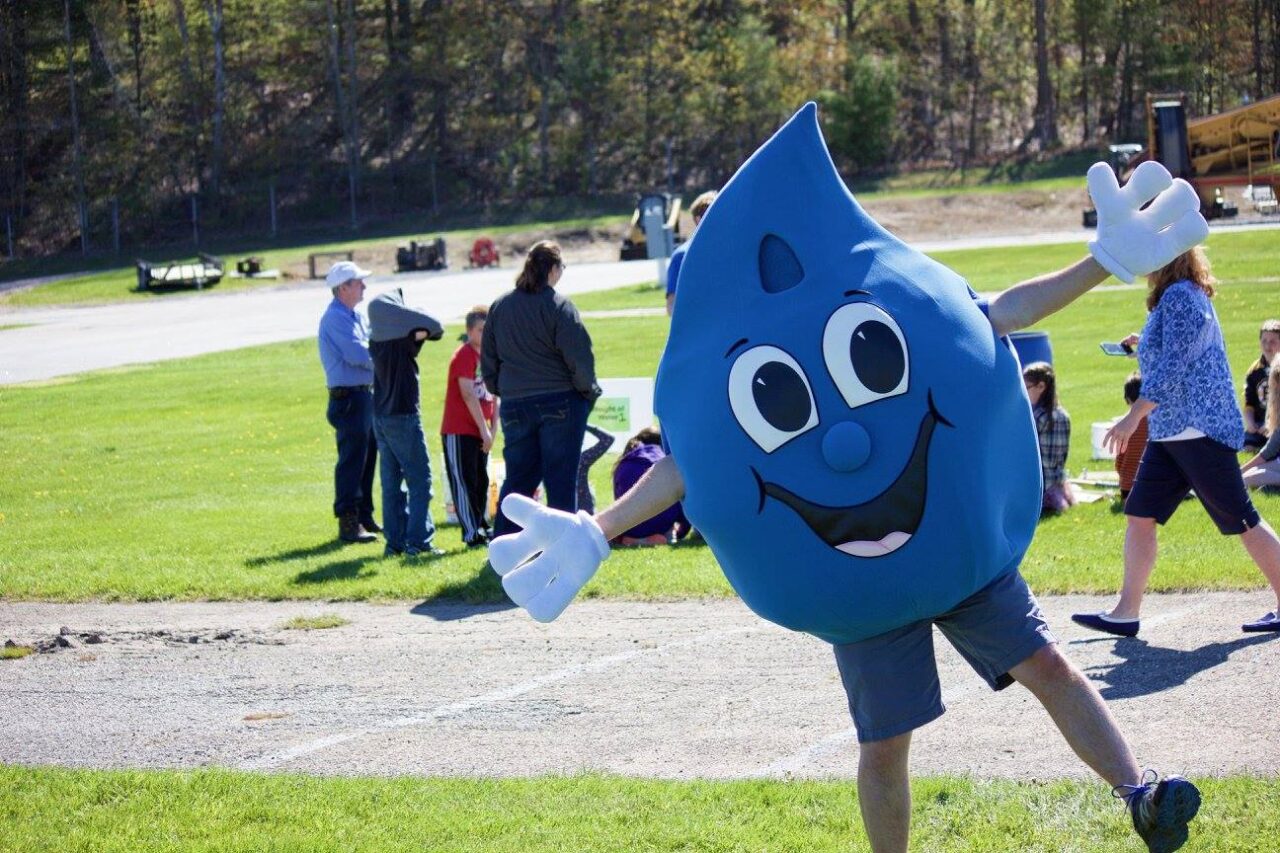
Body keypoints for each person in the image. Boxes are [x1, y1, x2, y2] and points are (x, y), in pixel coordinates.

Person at [489, 105, 1209, 853]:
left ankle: (1142, 795)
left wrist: (1102, 261)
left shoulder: (879, 287)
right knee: (886, 743)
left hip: (951, 545)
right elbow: (694, 465)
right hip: (862, 584)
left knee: (1049, 664)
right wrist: (600, 529)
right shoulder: (730, 348)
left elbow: (994, 315)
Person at [1072, 247, 1280, 639]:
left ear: (1165, 259)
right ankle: (1125, 612)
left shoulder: (1181, 295)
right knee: (1140, 513)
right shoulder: (1179, 295)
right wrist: (1144, 343)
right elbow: (1177, 352)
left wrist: (1133, 416)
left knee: (1242, 518)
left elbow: (1174, 367)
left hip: (1198, 429)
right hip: (1172, 430)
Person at [482, 240, 601, 537]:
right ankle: (562, 546)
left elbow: (489, 359)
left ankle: (504, 544)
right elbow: (579, 357)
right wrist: (588, 392)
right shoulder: (558, 306)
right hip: (560, 400)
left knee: (518, 481)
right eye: (562, 267)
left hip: (515, 402)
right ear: (552, 270)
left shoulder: (501, 306)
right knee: (560, 481)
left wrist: (502, 390)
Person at [368, 289, 445, 558]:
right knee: (420, 480)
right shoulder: (403, 340)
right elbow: (435, 326)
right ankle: (419, 541)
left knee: (391, 484)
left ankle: (395, 543)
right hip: (403, 416)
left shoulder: (375, 340)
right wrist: (414, 327)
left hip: (380, 416)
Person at [317, 261, 379, 544]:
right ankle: (349, 522)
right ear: (343, 288)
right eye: (357, 282)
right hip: (349, 398)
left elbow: (368, 349)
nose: (363, 286)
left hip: (362, 395)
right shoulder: (336, 318)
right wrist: (385, 361)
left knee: (367, 458)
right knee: (353, 461)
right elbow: (359, 354)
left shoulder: (355, 316)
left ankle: (364, 515)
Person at [441, 305, 498, 548]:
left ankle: (481, 523)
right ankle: (471, 532)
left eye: (489, 329)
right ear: (470, 331)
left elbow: (495, 394)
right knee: (463, 482)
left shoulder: (490, 355)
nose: (485, 334)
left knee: (480, 480)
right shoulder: (464, 355)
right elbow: (467, 393)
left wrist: (492, 430)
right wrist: (484, 430)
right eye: (481, 330)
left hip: (481, 430)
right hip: (460, 429)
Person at [611, 427, 689, 546]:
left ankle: (632, 538)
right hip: (662, 522)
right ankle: (664, 535)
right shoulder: (664, 460)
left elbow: (619, 499)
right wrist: (681, 532)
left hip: (630, 524)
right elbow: (680, 497)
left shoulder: (625, 462)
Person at [1023, 361, 1075, 514]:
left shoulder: (1036, 418)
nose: (1024, 392)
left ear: (1041, 386)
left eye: (1026, 387)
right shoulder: (1064, 415)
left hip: (1040, 483)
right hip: (1058, 480)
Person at [666, 191, 717, 316]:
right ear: (699, 219)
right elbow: (671, 304)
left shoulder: (729, 252)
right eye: (714, 213)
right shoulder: (682, 256)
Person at [1240, 319, 1280, 450]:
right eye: (1264, 341)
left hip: (1277, 424)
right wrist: (1251, 423)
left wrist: (1271, 423)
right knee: (1247, 445)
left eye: (1273, 341)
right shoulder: (1254, 371)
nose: (1267, 345)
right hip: (1261, 426)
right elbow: (1249, 403)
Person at [1114, 371, 1149, 501]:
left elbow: (1119, 461)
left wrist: (1123, 477)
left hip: (1127, 487)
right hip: (1151, 484)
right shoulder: (1155, 423)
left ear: (1128, 399)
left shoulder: (1124, 426)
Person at [577, 424, 615, 515]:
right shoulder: (581, 460)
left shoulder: (581, 460)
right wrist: (584, 424)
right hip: (584, 512)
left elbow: (608, 439)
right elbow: (608, 439)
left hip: (567, 512)